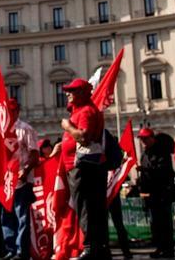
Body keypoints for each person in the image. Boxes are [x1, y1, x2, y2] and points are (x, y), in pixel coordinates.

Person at [58, 78, 108, 260]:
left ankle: (90, 248)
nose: (67, 94)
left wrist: (67, 126)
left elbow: (84, 137)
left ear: (82, 94)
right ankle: (98, 248)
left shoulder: (85, 111)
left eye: (72, 91)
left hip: (81, 167)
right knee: (92, 206)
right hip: (86, 166)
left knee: (85, 206)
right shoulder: (85, 110)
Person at [2, 99, 39, 260]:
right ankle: (10, 249)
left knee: (21, 215)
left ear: (17, 111)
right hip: (6, 182)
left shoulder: (25, 129)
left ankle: (20, 251)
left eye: (12, 110)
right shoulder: (1, 130)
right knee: (7, 217)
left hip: (22, 180)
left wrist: (25, 171)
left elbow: (34, 154)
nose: (9, 113)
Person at [136, 128, 175, 259]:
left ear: (152, 138)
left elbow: (162, 170)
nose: (143, 141)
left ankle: (168, 249)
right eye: (141, 139)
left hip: (162, 192)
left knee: (165, 223)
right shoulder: (145, 154)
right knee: (156, 224)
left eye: (145, 138)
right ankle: (160, 247)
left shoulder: (161, 152)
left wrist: (144, 169)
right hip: (152, 193)